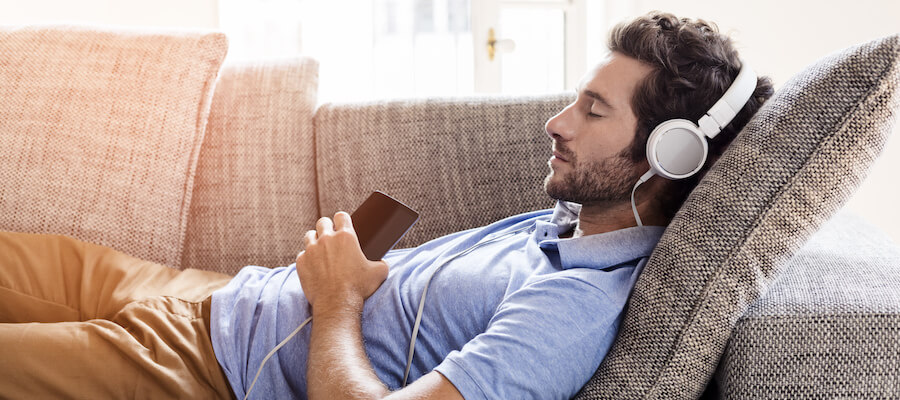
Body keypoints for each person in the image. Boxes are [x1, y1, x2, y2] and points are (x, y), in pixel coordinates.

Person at [0, 11, 773, 400]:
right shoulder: (565, 228)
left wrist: (337, 298)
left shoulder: (572, 311)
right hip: (207, 293)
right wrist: (352, 274)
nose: (557, 122)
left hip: (202, 367)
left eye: (594, 112)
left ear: (668, 156)